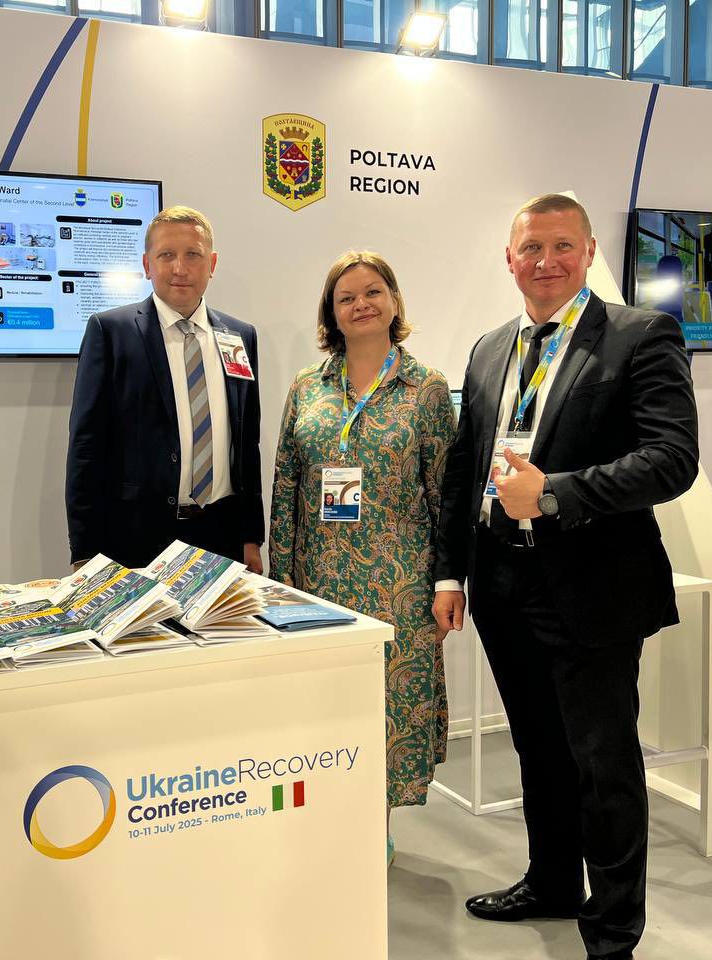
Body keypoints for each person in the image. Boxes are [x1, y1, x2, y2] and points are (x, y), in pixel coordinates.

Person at [433, 194, 698, 960]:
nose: (544, 262)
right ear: (509, 259)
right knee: (538, 751)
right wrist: (450, 572)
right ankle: (551, 882)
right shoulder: (490, 348)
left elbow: (672, 459)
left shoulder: (640, 335)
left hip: (592, 588)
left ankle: (612, 933)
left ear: (587, 253)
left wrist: (554, 493)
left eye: (560, 246)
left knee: (601, 765)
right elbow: (464, 468)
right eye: (530, 248)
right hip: (502, 585)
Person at [269, 250, 455, 860]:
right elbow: (286, 486)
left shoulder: (426, 389)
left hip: (401, 583)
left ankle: (374, 826)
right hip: (319, 581)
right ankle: (326, 817)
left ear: (394, 301)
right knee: (325, 705)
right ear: (332, 313)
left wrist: (449, 581)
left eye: (373, 291)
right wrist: (281, 584)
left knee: (387, 707)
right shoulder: (307, 386)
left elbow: (446, 494)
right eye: (346, 297)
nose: (361, 305)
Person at [66, 206, 264, 572]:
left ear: (212, 263)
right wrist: (84, 551)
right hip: (136, 538)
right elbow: (85, 448)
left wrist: (251, 536)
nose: (179, 268)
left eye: (193, 255)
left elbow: (247, 444)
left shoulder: (240, 336)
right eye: (166, 255)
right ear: (147, 265)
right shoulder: (110, 332)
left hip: (221, 536)